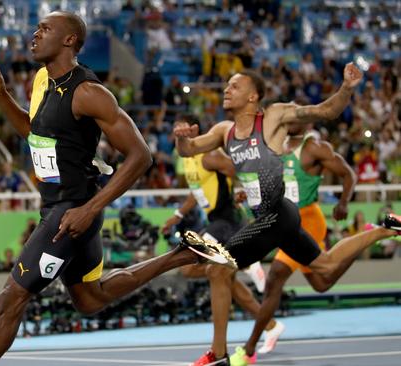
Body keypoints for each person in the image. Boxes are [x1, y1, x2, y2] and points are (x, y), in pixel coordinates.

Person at [0, 11, 234, 365]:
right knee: (90, 300)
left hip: (72, 211)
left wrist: (90, 209)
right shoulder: (40, 81)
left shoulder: (89, 93)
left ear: (69, 40)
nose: (34, 35)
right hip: (59, 208)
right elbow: (36, 135)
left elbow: (140, 157)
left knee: (10, 300)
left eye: (44, 29)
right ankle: (182, 255)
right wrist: (2, 96)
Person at [175, 65, 401, 365]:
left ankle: (218, 354)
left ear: (253, 96)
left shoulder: (273, 118)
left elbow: (324, 112)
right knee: (325, 265)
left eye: (234, 86)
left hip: (277, 213)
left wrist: (346, 88)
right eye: (227, 86)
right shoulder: (223, 132)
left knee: (218, 269)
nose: (226, 90)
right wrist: (181, 137)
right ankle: (385, 229)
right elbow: (188, 150)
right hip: (273, 216)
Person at [233, 122, 357, 362]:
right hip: (286, 221)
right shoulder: (277, 148)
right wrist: (248, 193)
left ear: (305, 121)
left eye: (293, 117)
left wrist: (343, 202)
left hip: (308, 220)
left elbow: (348, 174)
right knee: (321, 284)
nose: (286, 121)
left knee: (275, 276)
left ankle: (250, 348)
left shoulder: (314, 148)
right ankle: (353, 246)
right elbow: (274, 185)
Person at [162, 137, 276, 366]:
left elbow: (238, 169)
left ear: (194, 133)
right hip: (217, 222)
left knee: (190, 264)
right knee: (222, 277)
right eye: (175, 133)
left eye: (183, 131)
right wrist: (178, 215)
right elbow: (197, 192)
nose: (178, 136)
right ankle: (271, 325)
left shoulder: (210, 155)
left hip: (227, 221)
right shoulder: (189, 162)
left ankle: (248, 264)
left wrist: (247, 192)